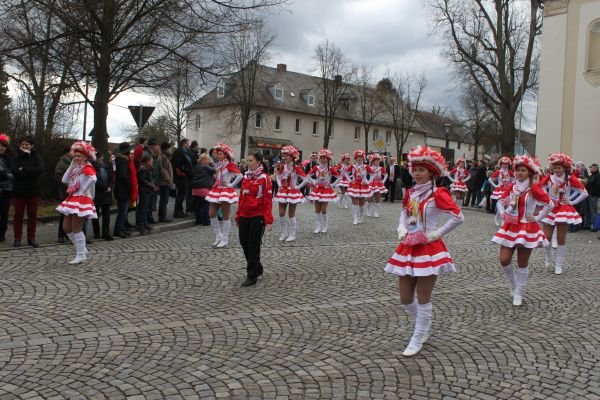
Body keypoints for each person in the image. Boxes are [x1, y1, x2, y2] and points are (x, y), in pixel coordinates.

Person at [384, 145, 464, 357]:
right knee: (405, 298)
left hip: (429, 248)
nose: (417, 173)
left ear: (431, 172)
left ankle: (418, 336)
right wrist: (401, 227)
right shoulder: (411, 192)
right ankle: (423, 324)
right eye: (415, 169)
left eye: (421, 170)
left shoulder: (438, 193)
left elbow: (458, 217)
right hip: (408, 245)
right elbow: (404, 212)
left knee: (423, 296)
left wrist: (436, 234)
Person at [491, 155, 553, 306]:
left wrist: (537, 217)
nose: (519, 173)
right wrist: (503, 214)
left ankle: (518, 292)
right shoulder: (513, 186)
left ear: (529, 172)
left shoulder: (534, 188)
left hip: (527, 227)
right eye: (518, 170)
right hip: (510, 226)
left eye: (523, 170)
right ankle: (513, 284)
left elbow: (550, 204)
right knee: (504, 260)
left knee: (522, 263)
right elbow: (500, 200)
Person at [540, 153, 588, 274]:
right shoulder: (549, 178)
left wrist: (571, 201)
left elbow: (584, 193)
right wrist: (546, 199)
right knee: (546, 238)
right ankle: (548, 258)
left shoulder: (570, 179)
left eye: (559, 168)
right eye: (554, 167)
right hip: (550, 208)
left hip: (563, 209)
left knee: (561, 239)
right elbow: (539, 189)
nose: (556, 170)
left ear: (565, 168)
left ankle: (559, 265)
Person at [236, 151, 273, 287]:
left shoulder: (264, 178)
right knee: (243, 242)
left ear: (258, 163)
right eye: (247, 160)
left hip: (257, 215)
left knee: (253, 244)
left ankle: (252, 275)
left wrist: (268, 219)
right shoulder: (246, 177)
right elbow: (241, 197)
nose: (247, 163)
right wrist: (238, 215)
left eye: (250, 161)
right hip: (244, 215)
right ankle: (257, 266)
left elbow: (268, 200)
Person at [56, 142, 98, 264]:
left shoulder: (87, 167)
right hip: (72, 198)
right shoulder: (75, 167)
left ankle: (80, 255)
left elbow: (93, 178)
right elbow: (64, 180)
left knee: (76, 228)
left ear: (85, 157)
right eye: (75, 155)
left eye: (79, 156)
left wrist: (84, 190)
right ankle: (82, 248)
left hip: (81, 199)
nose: (76, 158)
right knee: (66, 227)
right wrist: (71, 165)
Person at [206, 143, 243, 248]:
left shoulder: (229, 165)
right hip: (216, 189)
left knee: (225, 216)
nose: (218, 156)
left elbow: (240, 175)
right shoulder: (219, 164)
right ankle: (218, 236)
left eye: (220, 154)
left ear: (226, 155)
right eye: (217, 154)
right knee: (211, 213)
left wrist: (231, 184)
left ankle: (225, 239)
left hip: (225, 191)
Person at [10, 135, 43, 247]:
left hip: (33, 191)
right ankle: (17, 238)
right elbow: (15, 171)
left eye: (27, 144)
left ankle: (31, 238)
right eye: (23, 144)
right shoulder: (16, 157)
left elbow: (39, 170)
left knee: (32, 215)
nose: (24, 146)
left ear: (31, 145)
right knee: (18, 215)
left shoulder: (36, 156)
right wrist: (30, 173)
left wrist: (23, 168)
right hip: (19, 191)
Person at [274, 145, 308, 242]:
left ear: (292, 156)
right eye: (284, 155)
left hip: (292, 192)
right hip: (283, 191)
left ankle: (292, 234)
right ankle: (283, 233)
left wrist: (297, 187)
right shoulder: (283, 166)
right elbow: (278, 176)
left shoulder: (296, 168)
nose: (284, 157)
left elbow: (306, 179)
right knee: (281, 213)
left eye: (287, 155)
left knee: (291, 214)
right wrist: (279, 185)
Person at [306, 148, 341, 233]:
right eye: (321, 158)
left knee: (323, 209)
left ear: (328, 159)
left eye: (324, 158)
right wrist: (314, 182)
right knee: (317, 209)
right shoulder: (316, 167)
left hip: (326, 190)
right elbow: (308, 175)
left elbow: (339, 177)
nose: (322, 159)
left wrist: (332, 185)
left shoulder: (330, 168)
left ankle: (325, 226)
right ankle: (318, 226)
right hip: (317, 189)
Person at [346, 149, 374, 225]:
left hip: (363, 186)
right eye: (358, 157)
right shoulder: (352, 166)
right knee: (354, 202)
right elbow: (345, 172)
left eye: (361, 157)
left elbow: (373, 174)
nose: (359, 159)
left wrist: (368, 182)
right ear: (355, 158)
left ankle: (361, 217)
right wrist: (349, 180)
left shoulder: (366, 166)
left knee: (361, 203)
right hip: (354, 185)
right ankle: (355, 218)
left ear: (363, 158)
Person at [92, 153, 114, 241]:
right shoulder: (92, 167)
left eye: (102, 157)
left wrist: (109, 187)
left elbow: (110, 178)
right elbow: (94, 181)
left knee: (106, 215)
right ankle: (97, 233)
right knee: (95, 215)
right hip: (97, 194)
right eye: (99, 157)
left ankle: (106, 233)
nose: (101, 159)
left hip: (106, 194)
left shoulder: (105, 167)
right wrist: (105, 188)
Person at [113, 142, 132, 238]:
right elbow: (123, 175)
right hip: (122, 190)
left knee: (122, 211)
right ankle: (118, 230)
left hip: (120, 189)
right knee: (122, 211)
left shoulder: (119, 160)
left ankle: (121, 229)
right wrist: (130, 185)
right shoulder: (123, 161)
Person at [191, 153, 216, 226]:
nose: (209, 161)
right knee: (206, 205)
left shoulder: (196, 167)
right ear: (203, 159)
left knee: (198, 206)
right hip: (204, 188)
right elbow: (215, 170)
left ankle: (198, 220)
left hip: (195, 189)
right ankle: (206, 221)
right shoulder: (205, 167)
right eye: (208, 159)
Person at [54, 146, 73, 243]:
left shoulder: (72, 162)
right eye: (72, 151)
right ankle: (61, 235)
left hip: (72, 192)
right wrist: (68, 186)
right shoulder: (62, 162)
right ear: (67, 152)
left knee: (70, 214)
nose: (74, 152)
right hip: (65, 192)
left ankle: (68, 234)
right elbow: (58, 176)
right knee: (64, 214)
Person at [171, 138, 193, 218]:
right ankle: (178, 212)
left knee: (182, 194)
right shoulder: (179, 151)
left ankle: (179, 211)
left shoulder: (185, 152)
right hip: (181, 176)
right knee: (181, 194)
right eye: (187, 143)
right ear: (184, 144)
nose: (188, 145)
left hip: (185, 175)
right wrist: (185, 170)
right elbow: (178, 164)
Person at [488, 156, 514, 223]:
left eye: (506, 164)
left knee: (506, 205)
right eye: (503, 164)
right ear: (501, 164)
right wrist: (495, 185)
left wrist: (511, 186)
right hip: (500, 189)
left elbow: (514, 180)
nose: (505, 165)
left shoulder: (510, 172)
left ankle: (498, 217)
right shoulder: (498, 172)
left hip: (508, 190)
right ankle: (503, 220)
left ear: (508, 164)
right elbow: (490, 179)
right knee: (500, 203)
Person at [136, 154, 156, 235]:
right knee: (143, 209)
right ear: (147, 161)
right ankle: (141, 226)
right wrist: (152, 186)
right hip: (144, 191)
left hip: (146, 191)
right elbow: (143, 180)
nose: (152, 162)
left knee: (145, 208)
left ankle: (145, 224)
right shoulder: (143, 169)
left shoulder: (145, 168)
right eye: (151, 161)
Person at [0, 134, 14, 242]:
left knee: (4, 213)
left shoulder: (11, 159)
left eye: (3, 146)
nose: (1, 147)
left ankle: (2, 234)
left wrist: (4, 175)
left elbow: (14, 174)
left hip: (6, 189)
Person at [366, 153, 387, 218]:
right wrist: (366, 181)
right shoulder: (369, 168)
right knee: (369, 198)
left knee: (378, 198)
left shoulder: (381, 168)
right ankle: (368, 210)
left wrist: (383, 181)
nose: (378, 162)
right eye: (376, 160)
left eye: (378, 160)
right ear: (373, 161)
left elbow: (386, 175)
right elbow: (364, 175)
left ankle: (376, 212)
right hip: (371, 184)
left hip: (378, 184)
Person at [157, 142, 173, 222]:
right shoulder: (162, 157)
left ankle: (163, 215)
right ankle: (162, 216)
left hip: (165, 182)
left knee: (165, 199)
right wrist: (168, 179)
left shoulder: (165, 157)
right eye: (169, 148)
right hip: (164, 182)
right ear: (166, 149)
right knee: (164, 200)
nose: (170, 150)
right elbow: (162, 170)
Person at [588, 163, 600, 232]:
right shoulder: (592, 176)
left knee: (594, 210)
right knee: (592, 210)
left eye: (591, 167)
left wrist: (593, 193)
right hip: (591, 194)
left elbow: (597, 186)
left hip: (594, 195)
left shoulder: (597, 176)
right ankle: (593, 225)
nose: (590, 169)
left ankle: (595, 226)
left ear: (595, 168)